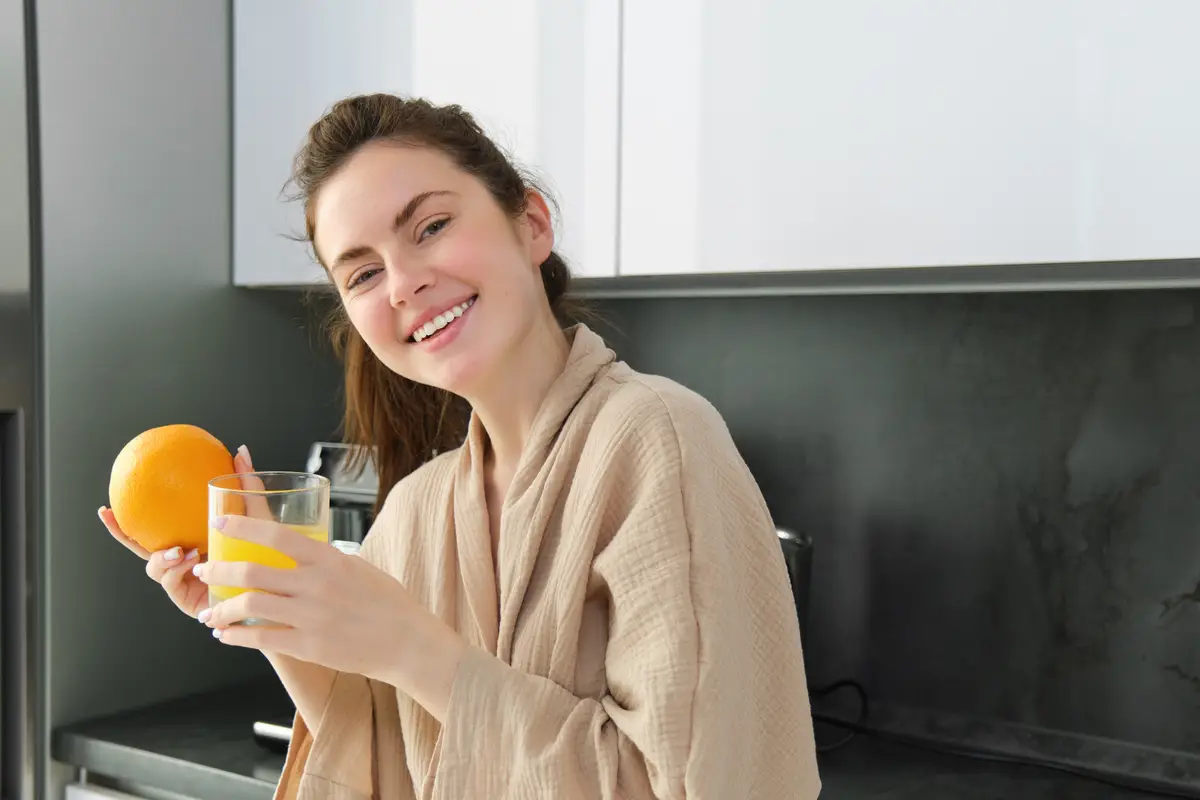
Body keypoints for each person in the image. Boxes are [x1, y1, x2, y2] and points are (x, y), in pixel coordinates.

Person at [100, 94, 821, 799]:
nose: (406, 283)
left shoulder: (656, 438)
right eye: (364, 273)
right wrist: (270, 616)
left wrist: (413, 646)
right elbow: (389, 761)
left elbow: (686, 782)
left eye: (432, 225)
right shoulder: (416, 509)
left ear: (531, 223)